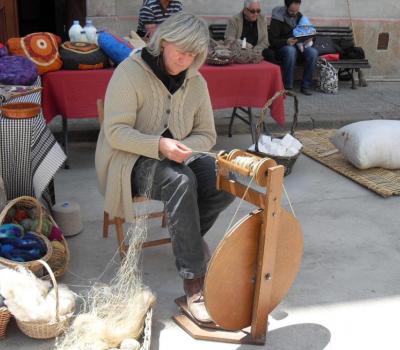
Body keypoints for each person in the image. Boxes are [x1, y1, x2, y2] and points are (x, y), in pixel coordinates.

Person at [95, 13, 235, 323]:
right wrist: (160, 145)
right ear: (163, 41)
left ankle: (187, 239)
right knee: (180, 182)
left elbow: (207, 134)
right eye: (180, 51)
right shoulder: (129, 72)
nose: (185, 60)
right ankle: (193, 282)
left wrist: (182, 149)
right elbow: (115, 132)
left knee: (225, 180)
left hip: (177, 156)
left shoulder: (196, 81)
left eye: (193, 55)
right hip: (128, 159)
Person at [269, 0, 318, 95]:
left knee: (313, 53)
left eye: (296, 10)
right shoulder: (277, 18)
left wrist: (310, 38)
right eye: (292, 11)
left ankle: (306, 85)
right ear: (286, 7)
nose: (294, 14)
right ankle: (288, 86)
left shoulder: (299, 16)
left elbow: (308, 31)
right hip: (283, 48)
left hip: (300, 46)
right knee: (290, 51)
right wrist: (286, 41)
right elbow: (272, 41)